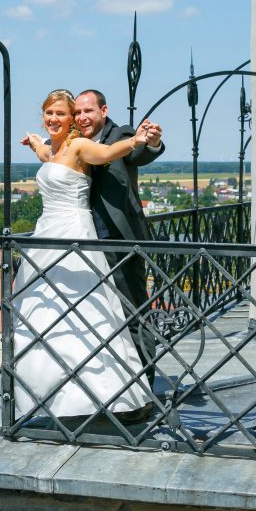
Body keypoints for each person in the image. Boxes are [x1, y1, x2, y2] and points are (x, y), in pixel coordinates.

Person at [12, 89, 160, 421]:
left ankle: (133, 394)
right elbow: (48, 160)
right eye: (50, 113)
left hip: (87, 235)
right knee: (49, 313)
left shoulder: (84, 143)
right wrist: (35, 143)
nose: (59, 119)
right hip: (48, 236)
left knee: (100, 313)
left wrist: (139, 139)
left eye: (63, 114)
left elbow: (110, 152)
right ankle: (57, 395)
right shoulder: (54, 149)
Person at [74, 89, 164, 385]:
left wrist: (152, 141)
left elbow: (139, 152)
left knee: (133, 311)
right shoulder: (78, 142)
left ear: (103, 110)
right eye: (78, 112)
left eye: (88, 111)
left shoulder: (120, 134)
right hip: (84, 241)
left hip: (121, 239)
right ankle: (110, 383)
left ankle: (145, 382)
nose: (82, 117)